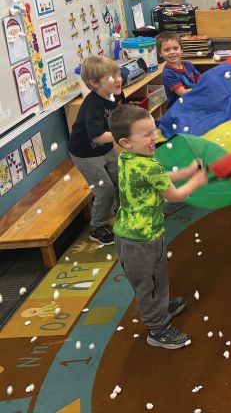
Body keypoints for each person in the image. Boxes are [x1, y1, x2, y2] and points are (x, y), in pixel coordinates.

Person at [109, 105, 208, 349]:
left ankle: (160, 307)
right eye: (147, 134)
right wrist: (196, 180)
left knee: (155, 279)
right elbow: (174, 195)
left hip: (132, 236)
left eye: (154, 131)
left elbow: (158, 176)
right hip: (142, 241)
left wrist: (185, 171)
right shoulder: (147, 165)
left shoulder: (127, 157)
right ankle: (158, 328)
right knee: (149, 285)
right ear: (126, 141)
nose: (155, 137)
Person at [68, 56, 125, 246]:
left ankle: (120, 211)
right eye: (111, 77)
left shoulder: (117, 93)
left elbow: (120, 114)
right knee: (105, 189)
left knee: (121, 178)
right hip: (85, 153)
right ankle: (97, 227)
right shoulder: (92, 104)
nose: (118, 79)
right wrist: (126, 134)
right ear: (93, 83)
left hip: (106, 148)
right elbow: (97, 136)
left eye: (118, 73)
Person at [157, 32, 202, 107]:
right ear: (160, 53)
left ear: (181, 50)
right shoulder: (168, 74)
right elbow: (183, 93)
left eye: (175, 48)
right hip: (180, 109)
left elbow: (201, 79)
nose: (172, 52)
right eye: (167, 50)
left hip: (193, 102)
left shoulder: (189, 65)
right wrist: (202, 87)